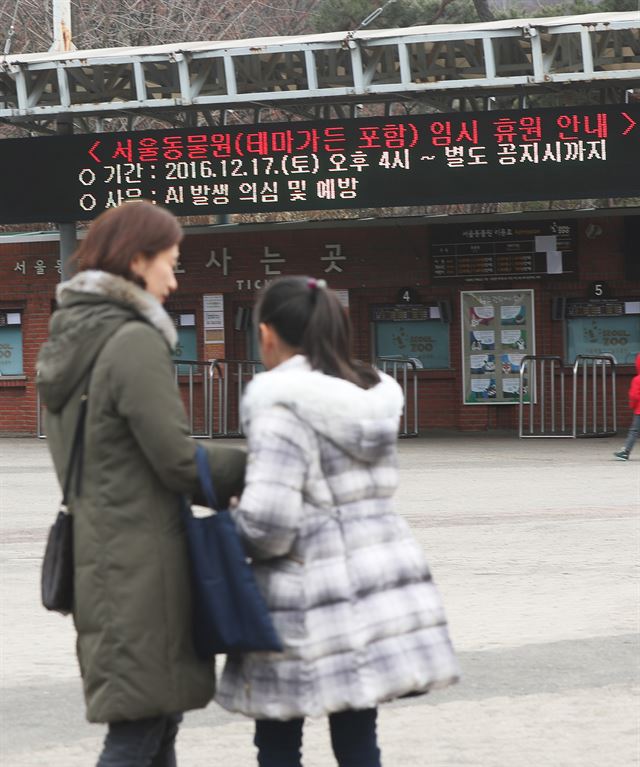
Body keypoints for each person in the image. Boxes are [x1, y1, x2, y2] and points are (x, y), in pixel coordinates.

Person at [215, 276, 459, 767]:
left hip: (302, 595)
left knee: (279, 739)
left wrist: (228, 523)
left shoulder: (280, 406)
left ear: (267, 334)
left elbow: (270, 524)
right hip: (372, 583)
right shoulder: (372, 395)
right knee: (357, 736)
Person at [36, 200, 246, 767]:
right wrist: (257, 467)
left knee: (156, 721)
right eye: (170, 264)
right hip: (140, 563)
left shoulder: (73, 339)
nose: (174, 282)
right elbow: (177, 459)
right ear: (136, 260)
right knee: (140, 729)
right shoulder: (131, 341)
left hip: (104, 553)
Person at [614, 352, 640, 460]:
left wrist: (632, 406)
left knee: (634, 431)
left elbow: (634, 396)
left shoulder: (637, 380)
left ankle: (626, 452)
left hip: (639, 411)